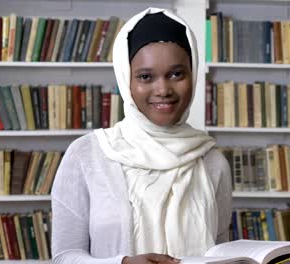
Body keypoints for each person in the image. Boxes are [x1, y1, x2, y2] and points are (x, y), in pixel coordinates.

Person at [51, 7, 232, 264]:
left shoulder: (212, 162)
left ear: (193, 74)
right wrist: (122, 263)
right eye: (146, 77)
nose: (163, 89)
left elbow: (219, 251)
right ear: (126, 80)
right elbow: (64, 257)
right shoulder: (87, 154)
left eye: (176, 74)